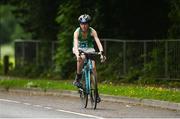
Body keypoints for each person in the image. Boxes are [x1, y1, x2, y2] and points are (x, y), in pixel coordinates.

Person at [72, 14, 106, 103]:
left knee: (93, 67)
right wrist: (77, 54)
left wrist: (101, 52)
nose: (84, 26)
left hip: (90, 49)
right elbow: (75, 44)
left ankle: (96, 93)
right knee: (81, 58)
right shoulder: (77, 32)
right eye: (82, 24)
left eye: (86, 23)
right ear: (80, 24)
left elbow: (98, 42)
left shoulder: (92, 31)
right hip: (79, 48)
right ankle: (78, 78)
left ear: (88, 24)